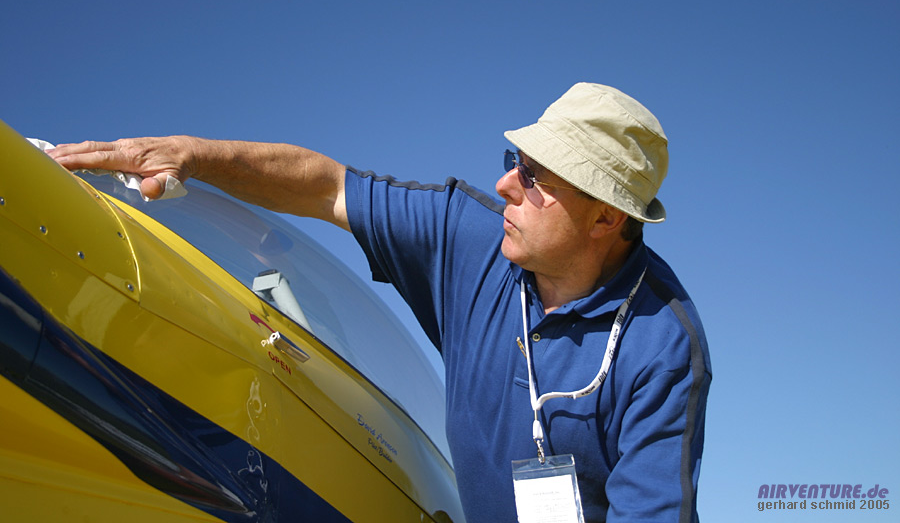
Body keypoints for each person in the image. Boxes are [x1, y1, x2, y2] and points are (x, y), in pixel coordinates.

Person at [50, 82, 711, 523]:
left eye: (536, 178)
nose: (506, 183)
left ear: (605, 220)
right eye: (516, 159)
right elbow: (325, 188)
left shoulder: (663, 344)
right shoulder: (467, 237)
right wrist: (190, 155)